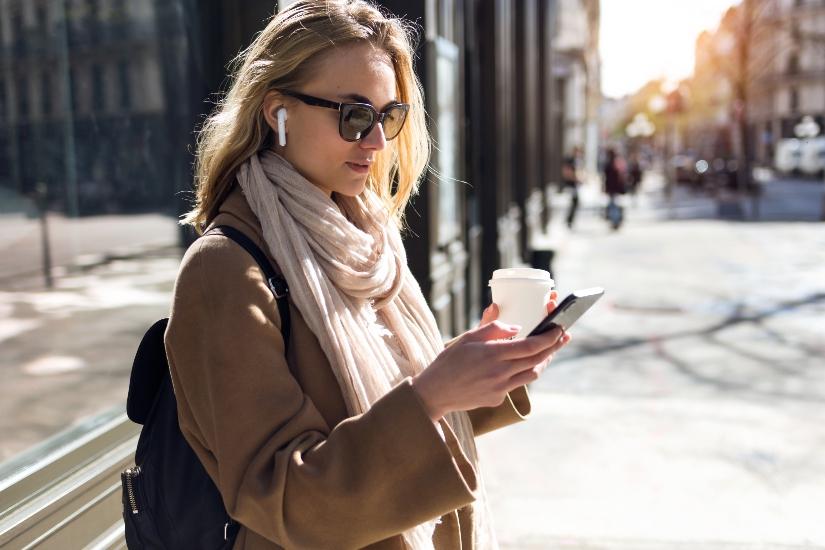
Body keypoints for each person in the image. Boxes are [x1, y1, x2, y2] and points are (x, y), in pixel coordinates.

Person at [166, 1, 571, 549]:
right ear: (275, 110)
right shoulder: (227, 270)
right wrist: (430, 395)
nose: (378, 142)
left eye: (389, 116)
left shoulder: (363, 241)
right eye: (354, 115)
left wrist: (488, 367)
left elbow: (382, 406)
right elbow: (282, 499)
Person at [603, 147, 626, 229]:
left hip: (612, 188)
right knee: (613, 204)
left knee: (613, 204)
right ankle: (615, 220)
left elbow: (606, 177)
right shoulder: (616, 164)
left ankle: (615, 221)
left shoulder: (611, 164)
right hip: (615, 188)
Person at [560, 146, 582, 229]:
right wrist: (575, 178)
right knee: (574, 202)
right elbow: (566, 172)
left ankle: (569, 220)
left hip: (573, 185)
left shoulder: (575, 160)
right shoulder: (570, 160)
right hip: (570, 185)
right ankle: (568, 220)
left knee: (575, 202)